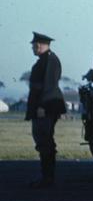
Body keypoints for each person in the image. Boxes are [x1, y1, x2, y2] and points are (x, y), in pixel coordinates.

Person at [25, 32, 67, 188]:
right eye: (33, 46)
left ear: (44, 46)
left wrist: (42, 106)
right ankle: (46, 177)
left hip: (46, 107)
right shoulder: (45, 60)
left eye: (36, 45)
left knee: (45, 141)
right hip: (42, 106)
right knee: (43, 141)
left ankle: (47, 179)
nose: (34, 48)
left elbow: (49, 85)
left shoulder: (50, 60)